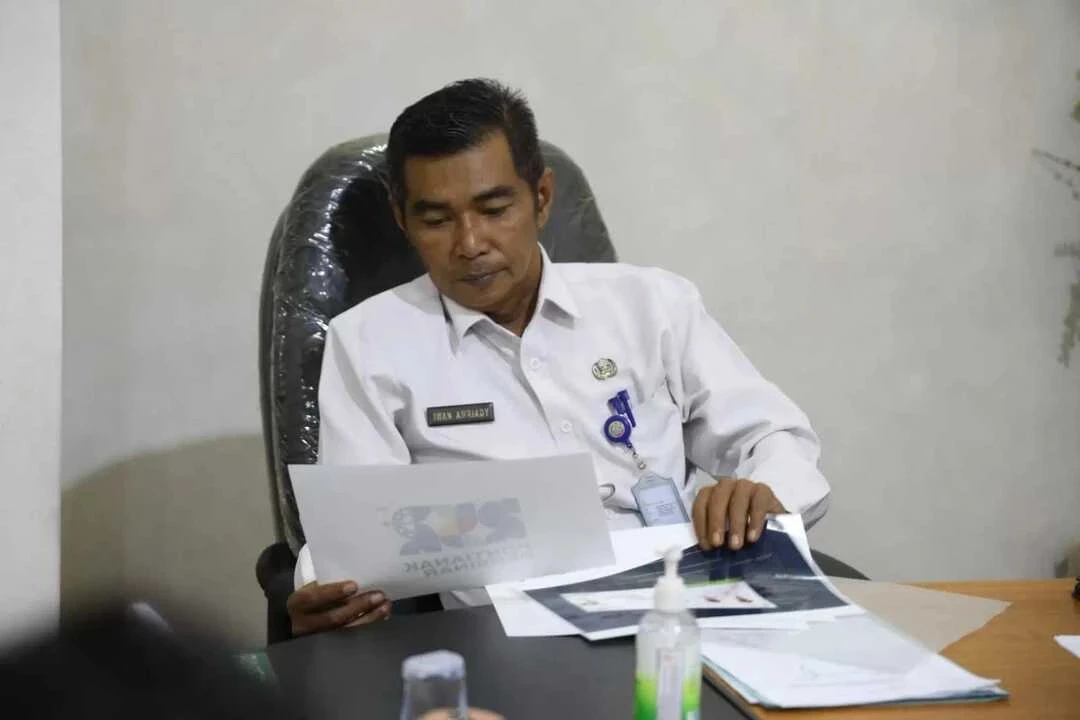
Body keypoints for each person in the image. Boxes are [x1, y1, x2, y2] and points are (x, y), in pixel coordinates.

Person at [286, 78, 830, 636]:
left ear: (541, 198)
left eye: (494, 209)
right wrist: (324, 589)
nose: (470, 243)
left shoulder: (652, 304)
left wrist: (763, 493)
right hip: (515, 634)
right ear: (403, 220)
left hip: (691, 598)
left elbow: (775, 435)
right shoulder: (370, 342)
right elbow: (357, 529)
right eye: (437, 220)